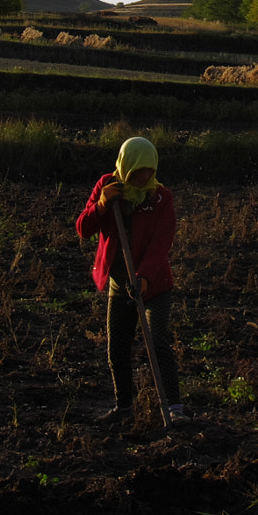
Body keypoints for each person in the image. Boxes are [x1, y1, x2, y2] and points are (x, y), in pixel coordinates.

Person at [76, 135, 184, 422]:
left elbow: (161, 243)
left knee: (158, 343)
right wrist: (100, 206)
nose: (143, 177)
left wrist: (145, 277)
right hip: (119, 283)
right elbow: (83, 229)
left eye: (148, 171)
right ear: (126, 167)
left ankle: (174, 408)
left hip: (154, 285)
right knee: (117, 349)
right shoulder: (108, 186)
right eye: (137, 172)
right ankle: (124, 407)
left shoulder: (161, 197)